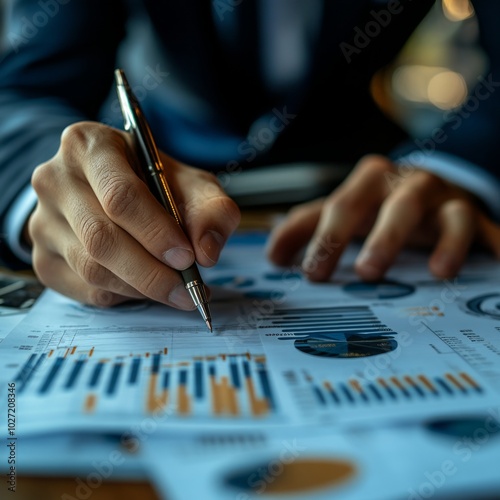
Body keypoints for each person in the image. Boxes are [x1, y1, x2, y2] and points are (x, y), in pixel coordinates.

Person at [1, 0, 500, 312]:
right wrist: (50, 193)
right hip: (146, 172)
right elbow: (27, 89)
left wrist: (455, 167)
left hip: (357, 190)